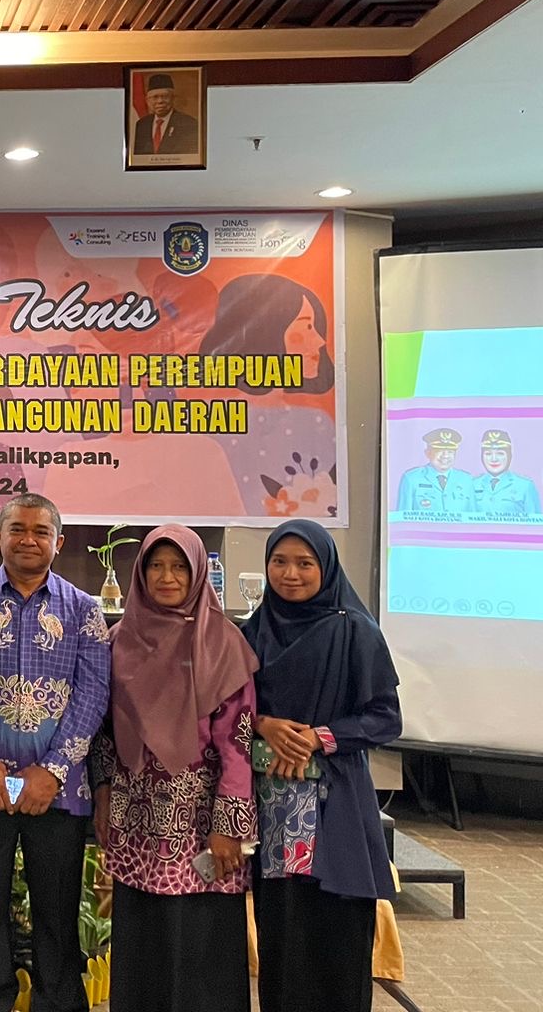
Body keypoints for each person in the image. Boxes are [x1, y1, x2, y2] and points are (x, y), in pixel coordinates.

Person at [0, 494, 111, 1012]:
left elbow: (93, 695)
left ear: (59, 542)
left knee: (57, 909)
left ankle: (58, 1001)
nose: (28, 540)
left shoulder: (84, 610)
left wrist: (53, 771)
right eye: (17, 529)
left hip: (56, 789)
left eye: (41, 531)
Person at [91, 524, 260, 1012]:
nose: (167, 577)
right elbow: (103, 730)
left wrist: (227, 828)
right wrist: (103, 794)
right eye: (156, 566)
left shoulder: (222, 643)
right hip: (135, 816)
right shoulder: (119, 639)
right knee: (143, 941)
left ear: (198, 572)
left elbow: (238, 743)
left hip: (200, 819)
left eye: (179, 567)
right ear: (140, 574)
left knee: (200, 943)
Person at [243, 519, 400, 1012]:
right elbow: (228, 709)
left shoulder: (355, 631)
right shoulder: (253, 632)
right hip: (274, 811)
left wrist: (318, 737)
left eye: (304, 563)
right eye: (279, 562)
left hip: (336, 810)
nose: (290, 574)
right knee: (282, 937)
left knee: (337, 936)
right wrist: (263, 723)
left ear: (326, 567)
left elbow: (385, 718)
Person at [196, 273, 338, 517]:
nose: (319, 340)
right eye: (307, 326)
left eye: (315, 326)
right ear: (267, 333)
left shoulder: (316, 423)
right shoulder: (210, 423)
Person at [395, 427, 476, 515]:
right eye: (439, 451)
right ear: (427, 453)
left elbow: (473, 516)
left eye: (450, 451)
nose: (445, 456)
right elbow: (402, 518)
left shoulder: (466, 480)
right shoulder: (411, 478)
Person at [471, 428, 542, 517]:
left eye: (500, 454)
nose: (494, 459)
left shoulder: (525, 486)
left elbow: (535, 522)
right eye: (488, 454)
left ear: (509, 456)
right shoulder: (472, 485)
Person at [130, 72, 200, 156]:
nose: (160, 101)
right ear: (147, 101)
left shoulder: (188, 124)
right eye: (155, 97)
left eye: (165, 96)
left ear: (173, 98)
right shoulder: (141, 125)